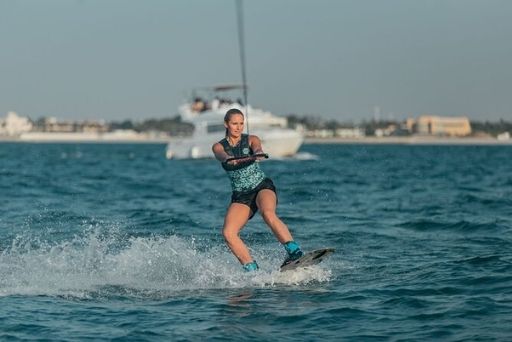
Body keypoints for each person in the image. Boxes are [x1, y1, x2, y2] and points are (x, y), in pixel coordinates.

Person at [212, 108, 303, 272]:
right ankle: (252, 269)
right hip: (241, 196)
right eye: (234, 124)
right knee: (228, 233)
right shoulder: (219, 146)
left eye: (241, 123)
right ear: (226, 124)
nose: (238, 127)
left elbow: (258, 148)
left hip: (262, 186)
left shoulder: (251, 139)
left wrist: (259, 153)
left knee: (267, 212)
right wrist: (228, 159)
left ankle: (294, 251)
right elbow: (220, 154)